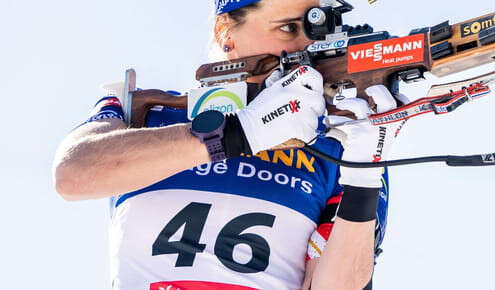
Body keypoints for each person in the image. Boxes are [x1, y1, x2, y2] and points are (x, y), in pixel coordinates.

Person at [51, 0, 405, 289]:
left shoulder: (338, 145)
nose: (306, 47)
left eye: (316, 31)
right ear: (226, 33)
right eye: (288, 28)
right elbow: (72, 174)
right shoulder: (154, 114)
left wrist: (365, 175)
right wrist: (238, 133)